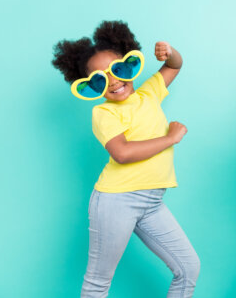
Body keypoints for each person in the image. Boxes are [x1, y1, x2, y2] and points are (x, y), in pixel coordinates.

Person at [52, 20, 200, 298]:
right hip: (116, 200)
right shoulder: (104, 113)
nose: (114, 81)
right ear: (91, 86)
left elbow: (174, 66)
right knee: (98, 281)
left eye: (118, 70)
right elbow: (122, 153)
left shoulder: (149, 93)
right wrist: (170, 138)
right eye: (100, 79)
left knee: (188, 267)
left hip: (152, 202)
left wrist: (170, 51)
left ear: (130, 64)